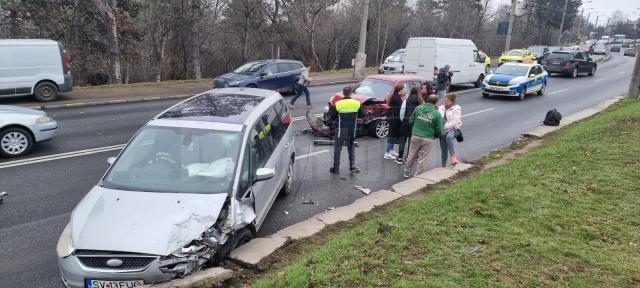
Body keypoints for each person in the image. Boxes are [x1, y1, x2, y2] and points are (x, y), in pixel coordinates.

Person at [403, 94, 443, 178]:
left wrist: (415, 129)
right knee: (423, 157)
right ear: (436, 102)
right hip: (428, 138)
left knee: (412, 154)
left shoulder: (418, 108)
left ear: (427, 100)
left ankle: (406, 172)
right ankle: (417, 175)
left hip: (416, 135)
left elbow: (411, 121)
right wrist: (435, 135)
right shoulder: (437, 114)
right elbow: (440, 130)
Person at [330, 86, 364, 175]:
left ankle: (336, 169)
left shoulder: (338, 104)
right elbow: (362, 115)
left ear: (343, 93)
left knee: (337, 148)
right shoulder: (357, 103)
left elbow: (332, 117)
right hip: (352, 129)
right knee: (351, 147)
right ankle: (352, 167)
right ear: (351, 94)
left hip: (341, 130)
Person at [396, 86, 423, 164]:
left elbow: (402, 112)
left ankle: (400, 158)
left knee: (402, 141)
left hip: (405, 122)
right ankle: (408, 158)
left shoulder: (406, 100)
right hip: (415, 124)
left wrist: (403, 120)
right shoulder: (421, 102)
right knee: (411, 143)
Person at [438, 92, 462, 168]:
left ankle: (453, 157)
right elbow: (439, 118)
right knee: (443, 148)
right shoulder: (441, 108)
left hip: (453, 128)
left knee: (449, 137)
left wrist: (444, 127)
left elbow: (455, 121)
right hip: (442, 130)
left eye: (447, 100)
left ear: (451, 102)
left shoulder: (457, 109)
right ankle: (443, 165)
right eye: (444, 100)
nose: (445, 102)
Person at [384, 84, 406, 160]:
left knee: (394, 135)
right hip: (394, 120)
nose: (404, 91)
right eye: (403, 89)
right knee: (392, 136)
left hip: (395, 119)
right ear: (400, 90)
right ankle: (387, 153)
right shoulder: (396, 98)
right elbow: (401, 108)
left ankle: (391, 150)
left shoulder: (396, 96)